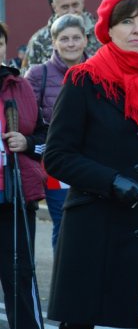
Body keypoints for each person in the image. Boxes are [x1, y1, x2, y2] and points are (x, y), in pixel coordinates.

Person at [43, 0, 138, 329]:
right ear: (108, 30)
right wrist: (111, 181)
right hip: (95, 226)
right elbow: (56, 156)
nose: (137, 29)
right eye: (126, 22)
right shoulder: (83, 80)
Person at [0, 22, 48, 329]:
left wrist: (27, 142)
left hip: (12, 198)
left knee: (19, 280)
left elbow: (47, 138)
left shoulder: (19, 85)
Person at [24, 14, 88, 251]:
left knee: (90, 221)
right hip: (56, 162)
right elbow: (26, 118)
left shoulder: (100, 70)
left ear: (85, 40)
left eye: (75, 38)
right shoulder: (38, 75)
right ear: (54, 42)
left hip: (92, 158)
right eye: (64, 39)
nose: (70, 43)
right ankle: (64, 282)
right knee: (63, 222)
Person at [24, 0, 100, 67]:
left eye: (75, 5)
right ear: (54, 7)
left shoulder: (100, 34)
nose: (71, 11)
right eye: (65, 7)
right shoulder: (39, 40)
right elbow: (27, 77)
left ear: (82, 3)